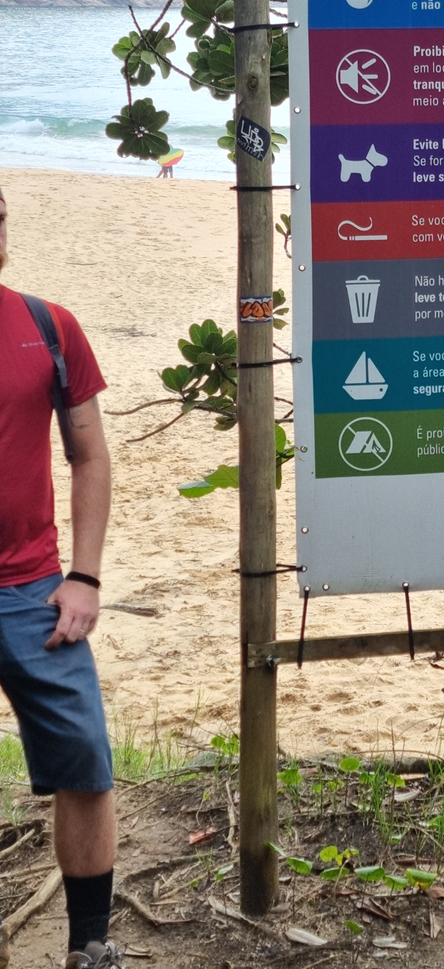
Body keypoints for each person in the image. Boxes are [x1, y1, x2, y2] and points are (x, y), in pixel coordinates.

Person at [0, 187, 121, 969]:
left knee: (85, 762)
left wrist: (85, 576)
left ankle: (89, 944)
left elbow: (90, 456)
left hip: (33, 590)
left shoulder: (47, 325)